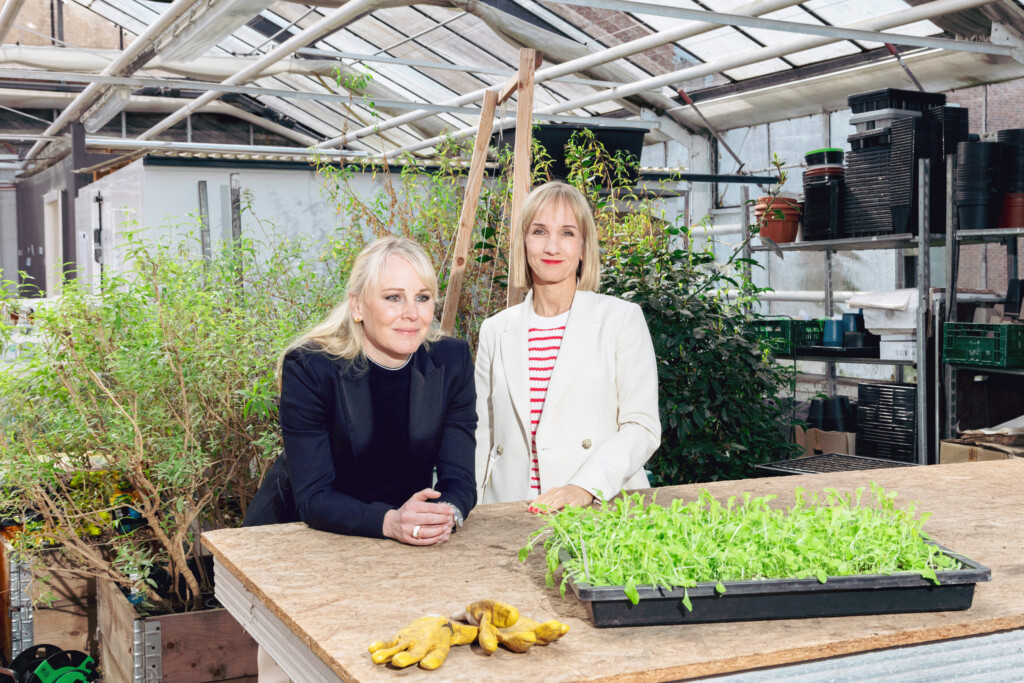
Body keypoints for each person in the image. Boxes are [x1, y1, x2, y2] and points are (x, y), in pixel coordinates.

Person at [244, 236, 477, 544]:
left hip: (398, 540)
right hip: (296, 534)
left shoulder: (451, 360)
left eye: (422, 297)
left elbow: (459, 479)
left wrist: (445, 515)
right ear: (358, 306)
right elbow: (314, 496)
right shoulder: (310, 367)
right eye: (393, 297)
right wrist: (391, 522)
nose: (412, 313)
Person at [474, 181, 660, 511]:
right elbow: (480, 435)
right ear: (524, 242)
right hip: (507, 511)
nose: (552, 247)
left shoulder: (621, 320)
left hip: (598, 507)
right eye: (540, 231)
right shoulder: (495, 330)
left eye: (568, 233)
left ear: (584, 247)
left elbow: (641, 427)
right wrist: (469, 509)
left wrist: (583, 486)